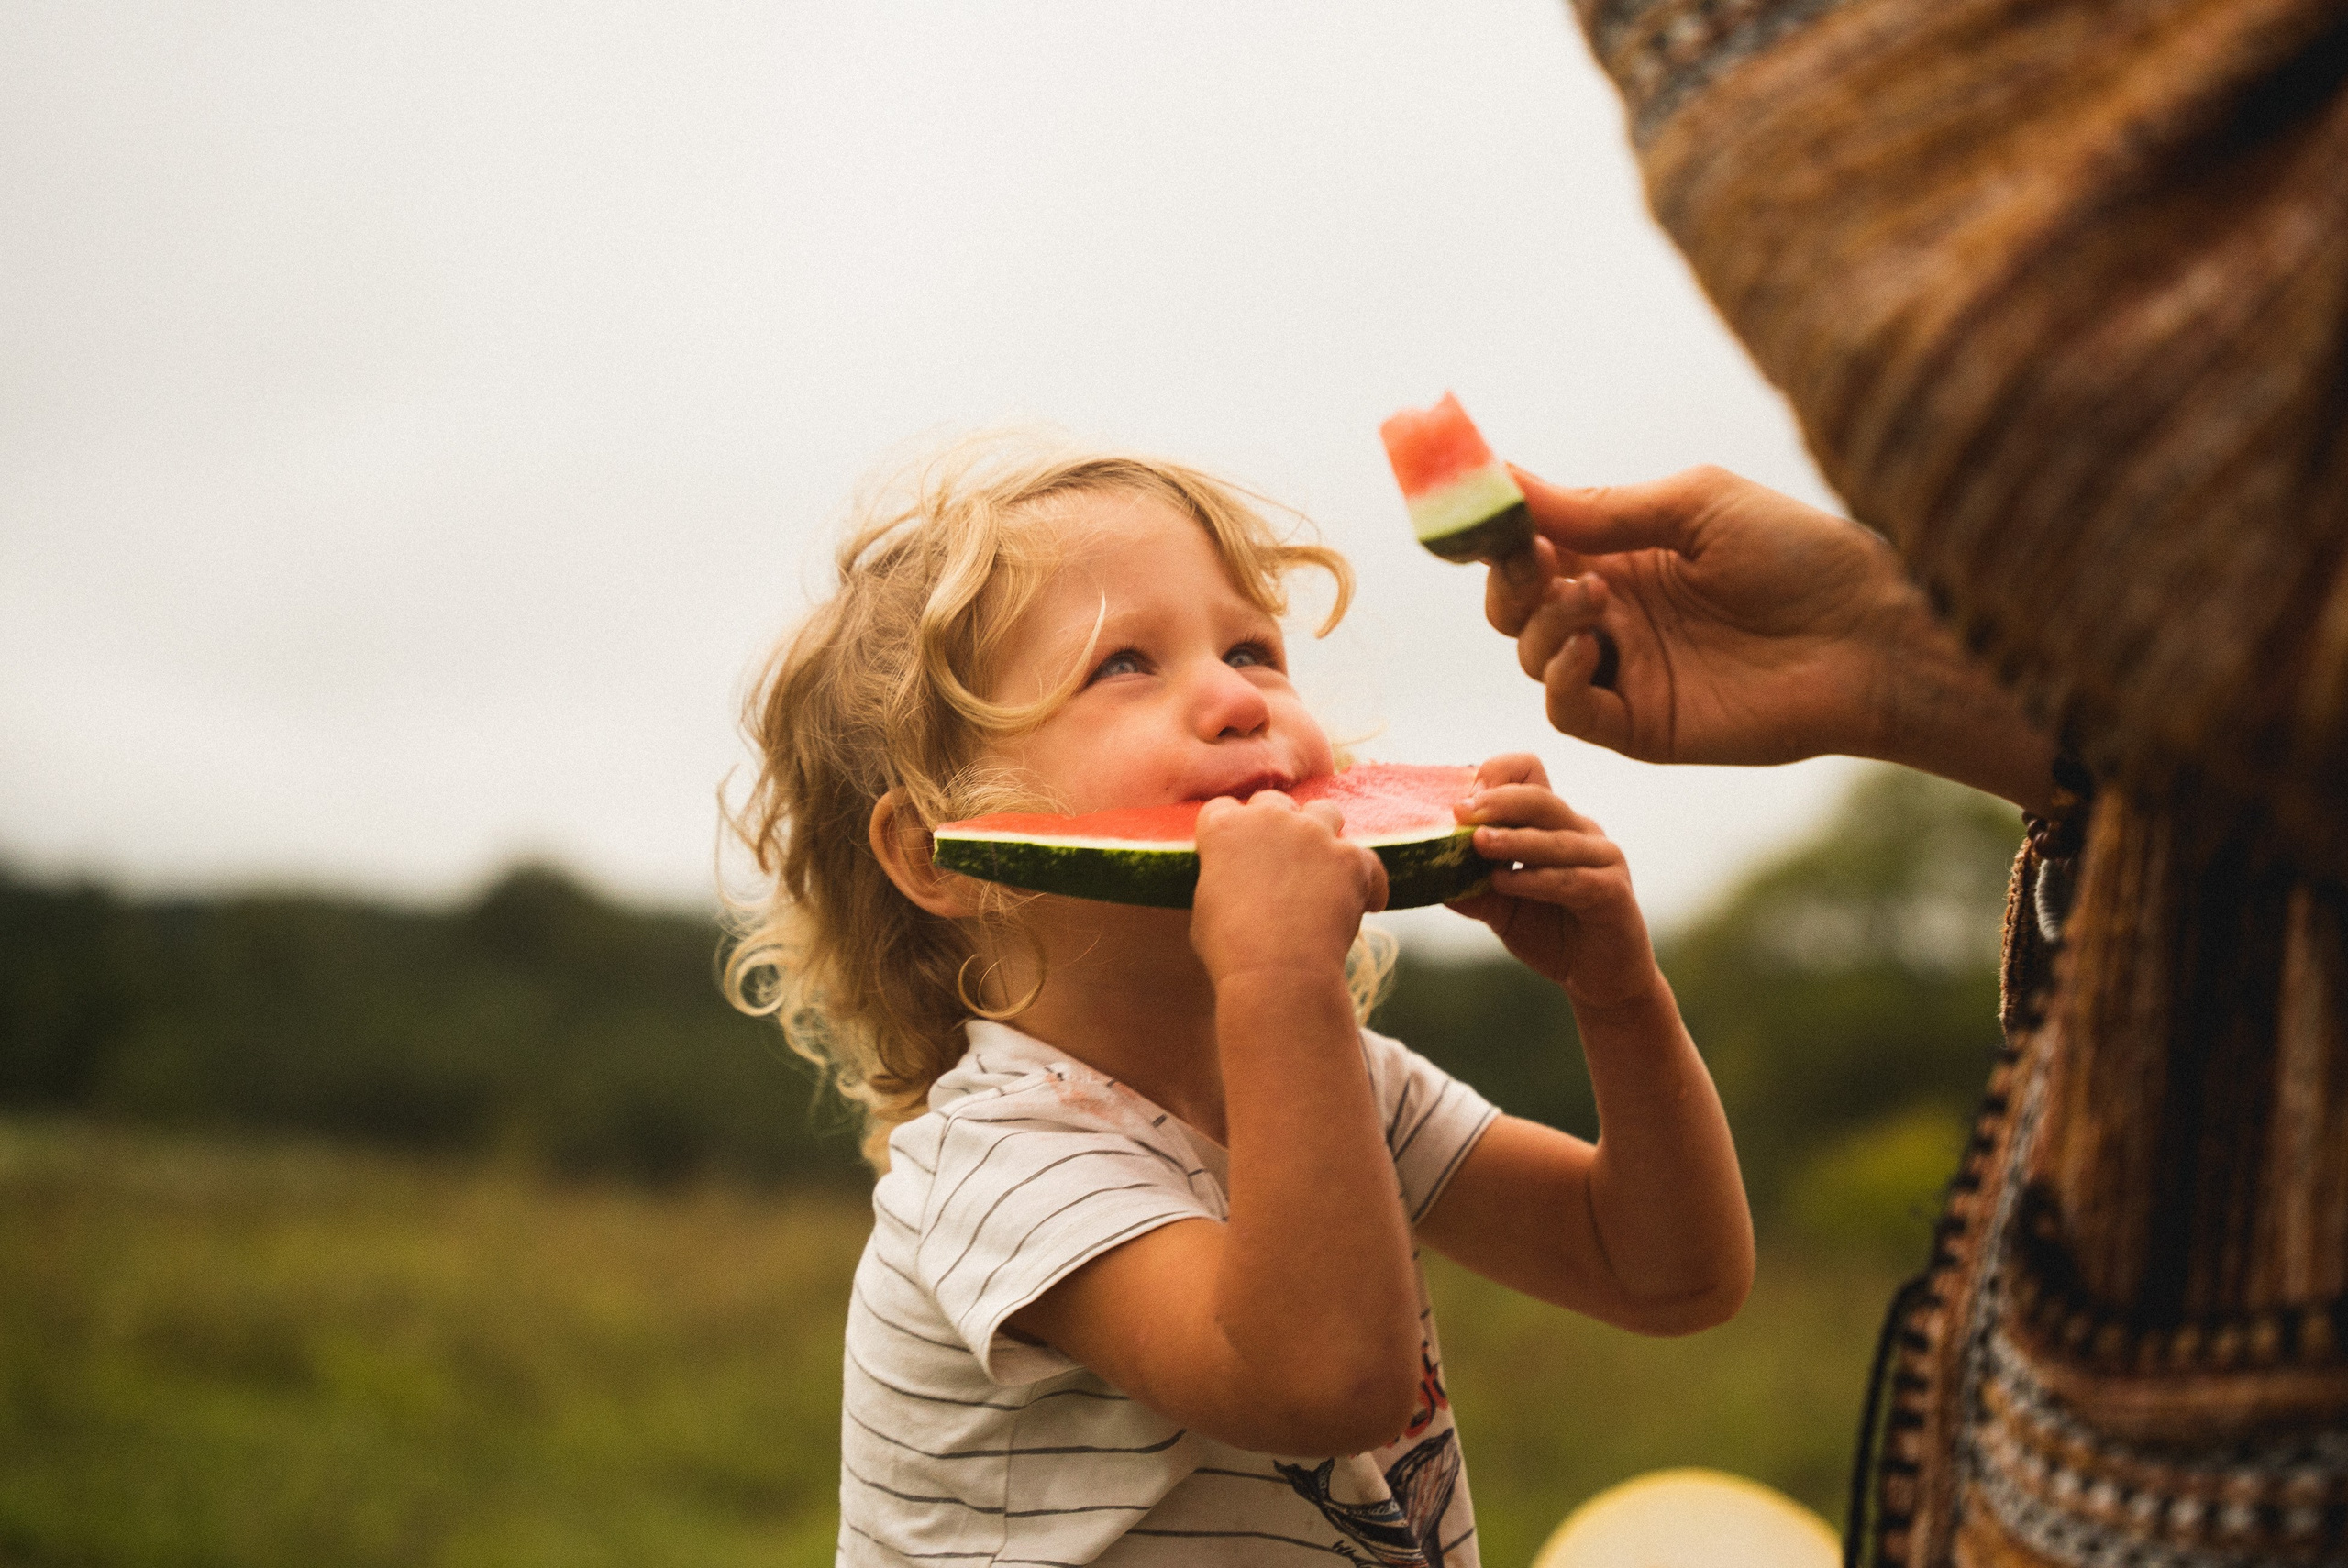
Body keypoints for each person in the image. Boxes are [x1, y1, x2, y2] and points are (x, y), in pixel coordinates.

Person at [723, 437, 1754, 1567]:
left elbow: (1666, 1272)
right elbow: (1321, 1380)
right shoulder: (998, 1162)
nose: (1232, 698)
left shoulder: (1353, 1083)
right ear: (939, 856)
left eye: (1252, 649)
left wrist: (1617, 998)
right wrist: (1281, 978)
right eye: (1124, 665)